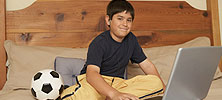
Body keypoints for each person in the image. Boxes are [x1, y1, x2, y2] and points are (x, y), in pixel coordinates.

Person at [61, 0, 165, 100]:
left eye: (128, 20)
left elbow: (146, 64)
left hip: (118, 84)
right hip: (95, 82)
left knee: (155, 82)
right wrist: (113, 94)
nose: (125, 24)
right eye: (120, 18)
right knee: (86, 95)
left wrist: (164, 89)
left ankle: (115, 97)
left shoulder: (131, 39)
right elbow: (92, 74)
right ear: (108, 20)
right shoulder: (99, 42)